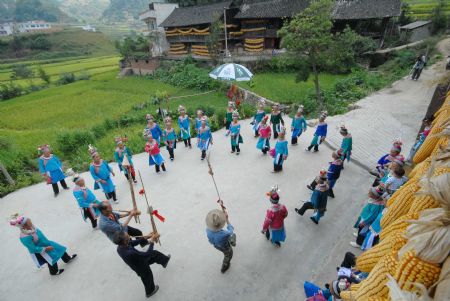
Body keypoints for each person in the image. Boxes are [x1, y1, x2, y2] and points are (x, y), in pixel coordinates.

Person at [10, 215, 77, 275]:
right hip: (41, 250)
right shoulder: (24, 237)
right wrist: (45, 249)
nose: (31, 221)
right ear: (24, 225)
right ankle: (54, 271)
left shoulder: (32, 228)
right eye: (29, 221)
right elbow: (32, 248)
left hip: (47, 243)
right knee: (51, 259)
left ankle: (67, 259)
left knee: (60, 249)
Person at [114, 231, 170, 298]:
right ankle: (150, 291)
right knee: (147, 277)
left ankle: (164, 261)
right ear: (125, 240)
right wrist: (152, 242)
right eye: (127, 236)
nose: (129, 236)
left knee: (155, 254)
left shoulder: (121, 246)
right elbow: (147, 254)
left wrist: (147, 237)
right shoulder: (129, 253)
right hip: (140, 266)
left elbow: (133, 242)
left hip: (139, 260)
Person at [206, 209, 235, 273]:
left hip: (216, 245)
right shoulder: (224, 234)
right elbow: (231, 230)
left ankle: (224, 265)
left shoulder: (208, 229)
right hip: (224, 245)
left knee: (224, 250)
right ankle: (225, 266)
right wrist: (227, 219)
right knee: (228, 254)